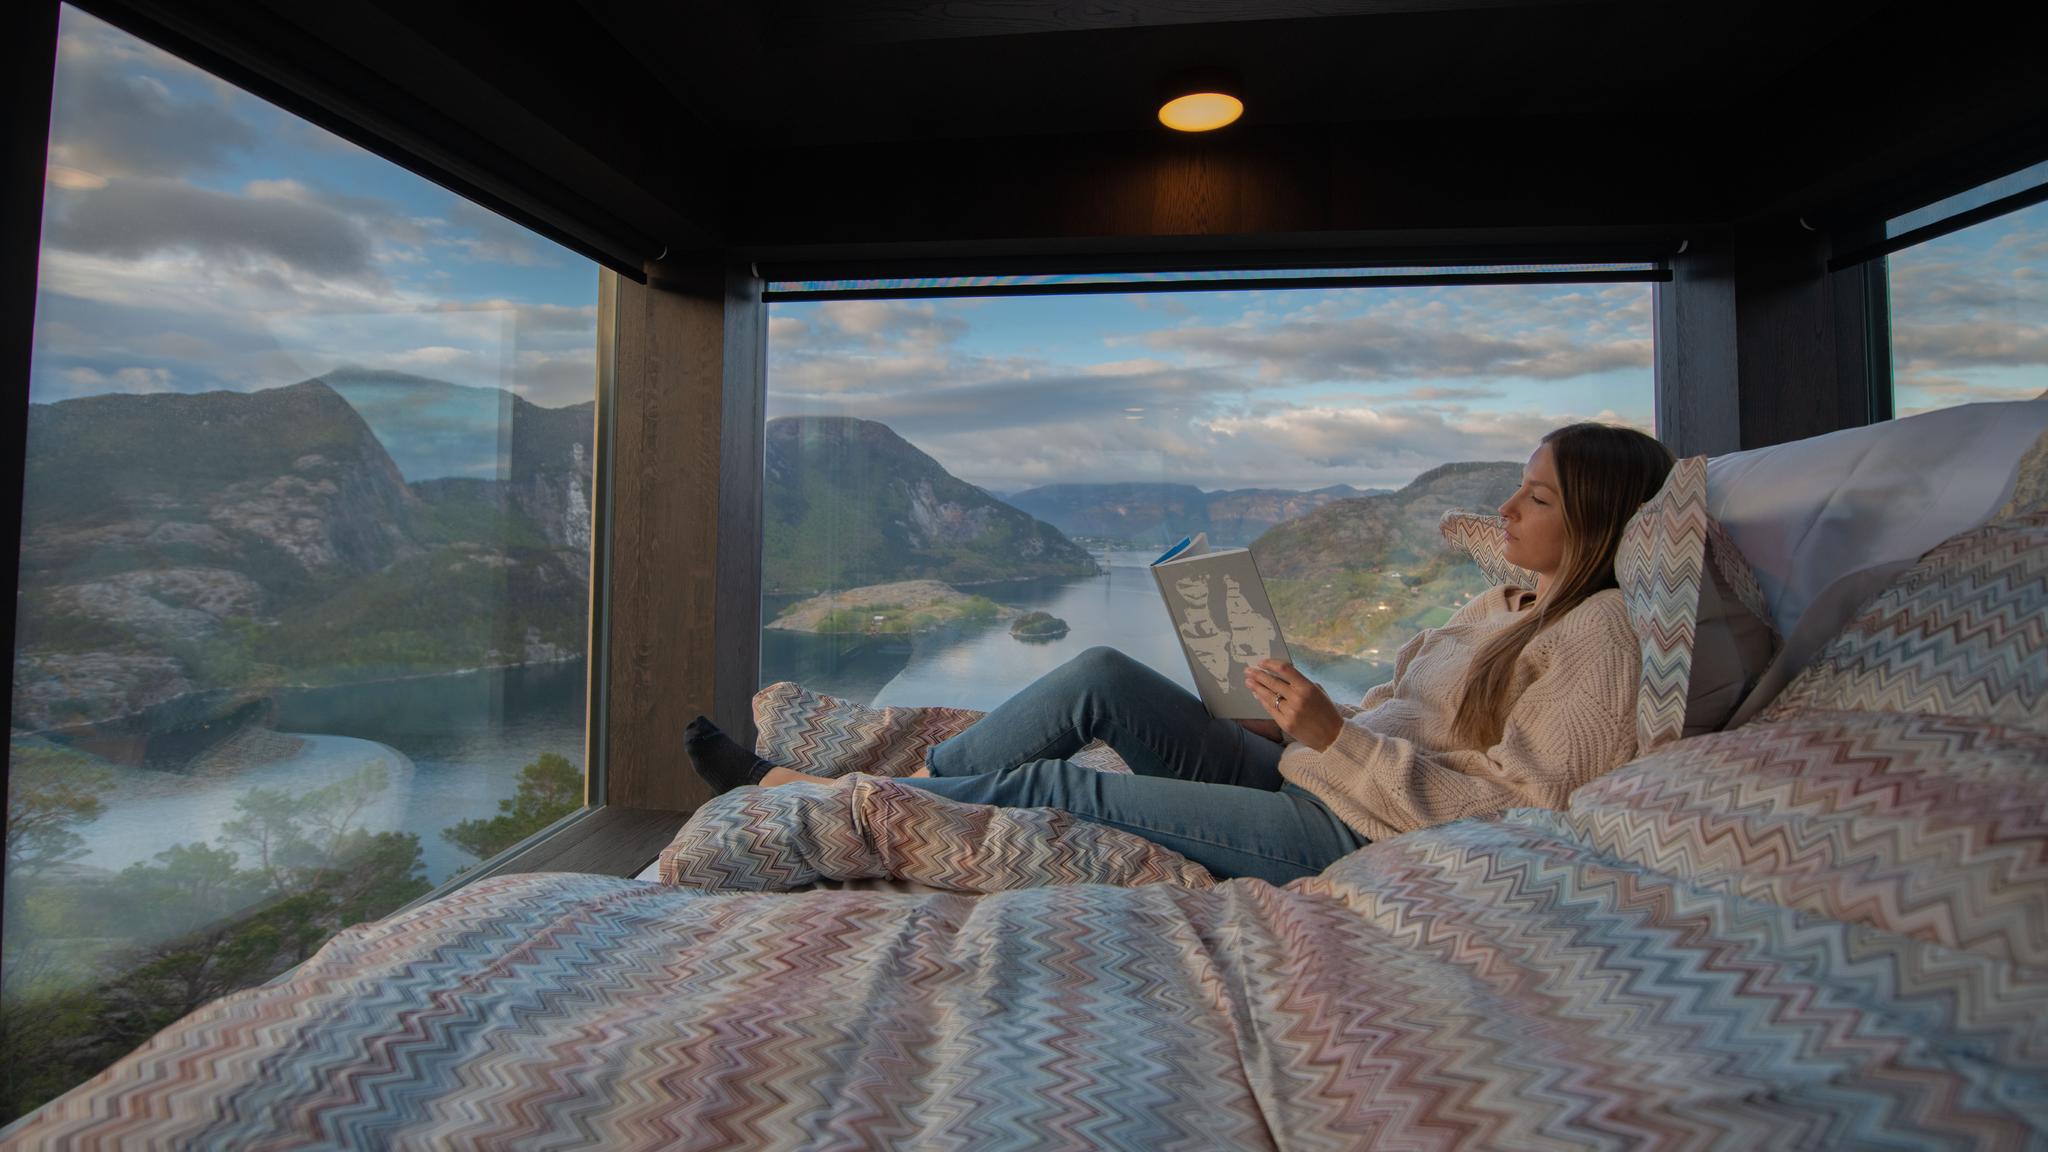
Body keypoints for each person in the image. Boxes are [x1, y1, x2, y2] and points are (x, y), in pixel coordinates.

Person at [686, 422, 1675, 885]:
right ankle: (920, 774)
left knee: (1058, 788)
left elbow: (1517, 816)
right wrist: (1302, 717)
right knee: (1102, 678)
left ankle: (820, 802)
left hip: (1353, 830)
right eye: (1516, 487)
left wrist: (1332, 739)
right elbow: (1406, 719)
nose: (1506, 508)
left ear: (1594, 518)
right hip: (1317, 771)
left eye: (1535, 496)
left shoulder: (1597, 637)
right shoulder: (1500, 604)